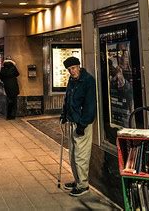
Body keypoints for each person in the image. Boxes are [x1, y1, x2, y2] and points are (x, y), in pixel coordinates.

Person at [60, 56, 96, 197]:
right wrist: (64, 114)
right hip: (72, 121)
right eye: (69, 70)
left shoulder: (88, 81)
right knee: (73, 155)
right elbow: (68, 98)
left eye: (73, 68)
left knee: (81, 155)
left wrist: (82, 124)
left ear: (79, 66)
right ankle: (77, 180)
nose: (72, 72)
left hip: (82, 124)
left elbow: (90, 105)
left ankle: (83, 185)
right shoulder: (72, 80)